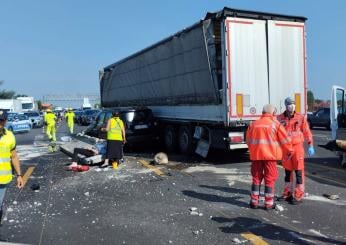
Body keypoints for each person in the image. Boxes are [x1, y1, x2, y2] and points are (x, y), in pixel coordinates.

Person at [246, 104, 292, 209]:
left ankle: (254, 202)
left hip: (256, 156)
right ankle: (268, 203)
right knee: (269, 179)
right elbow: (286, 141)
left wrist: (254, 150)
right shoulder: (276, 125)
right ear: (273, 113)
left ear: (262, 113)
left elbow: (248, 141)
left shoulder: (253, 124)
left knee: (256, 178)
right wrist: (288, 152)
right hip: (270, 157)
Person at [277, 97, 315, 204]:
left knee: (298, 171)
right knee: (287, 172)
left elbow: (307, 131)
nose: (292, 106)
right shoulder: (280, 118)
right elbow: (275, 132)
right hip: (286, 149)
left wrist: (310, 144)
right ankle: (287, 193)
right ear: (286, 105)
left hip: (297, 147)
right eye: (290, 104)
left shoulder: (300, 118)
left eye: (293, 104)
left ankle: (298, 195)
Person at [0, 110, 24, 223]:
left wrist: (19, 175)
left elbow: (14, 157)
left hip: (3, 180)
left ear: (5, 121)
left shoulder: (9, 136)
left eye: (1, 121)